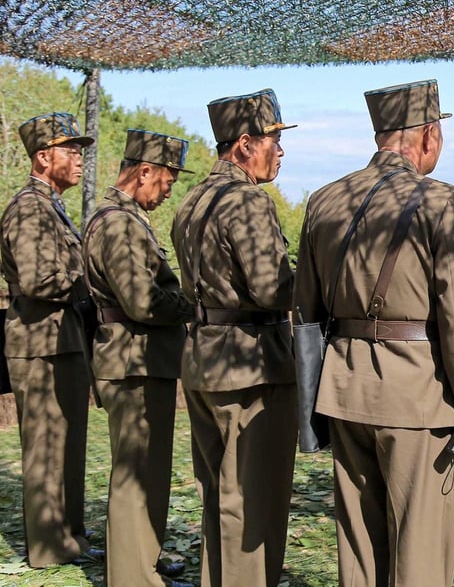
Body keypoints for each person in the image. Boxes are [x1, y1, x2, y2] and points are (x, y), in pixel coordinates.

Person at [293, 79, 454, 587]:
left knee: (359, 546)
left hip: (343, 391)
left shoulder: (324, 201)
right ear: (427, 135)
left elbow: (306, 314)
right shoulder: (444, 203)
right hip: (417, 398)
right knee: (420, 551)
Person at [170, 89, 297, 587]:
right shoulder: (246, 201)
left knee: (221, 498)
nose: (280, 152)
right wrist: (317, 281)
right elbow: (271, 289)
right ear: (244, 144)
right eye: (273, 140)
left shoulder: (193, 199)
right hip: (251, 364)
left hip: (204, 359)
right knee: (251, 503)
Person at [83, 129, 194, 587]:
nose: (168, 191)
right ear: (144, 171)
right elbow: (144, 302)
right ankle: (133, 577)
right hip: (134, 361)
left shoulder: (123, 218)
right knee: (136, 474)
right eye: (166, 181)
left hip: (138, 359)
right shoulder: (119, 223)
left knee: (148, 471)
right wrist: (196, 302)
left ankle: (141, 558)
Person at [0, 112, 102, 567]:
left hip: (61, 337)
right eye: (70, 150)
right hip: (39, 341)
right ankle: (47, 546)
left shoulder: (50, 205)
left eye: (80, 151)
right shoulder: (29, 207)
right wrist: (92, 278)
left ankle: (70, 536)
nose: (79, 158)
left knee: (68, 443)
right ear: (44, 157)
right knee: (45, 446)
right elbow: (41, 280)